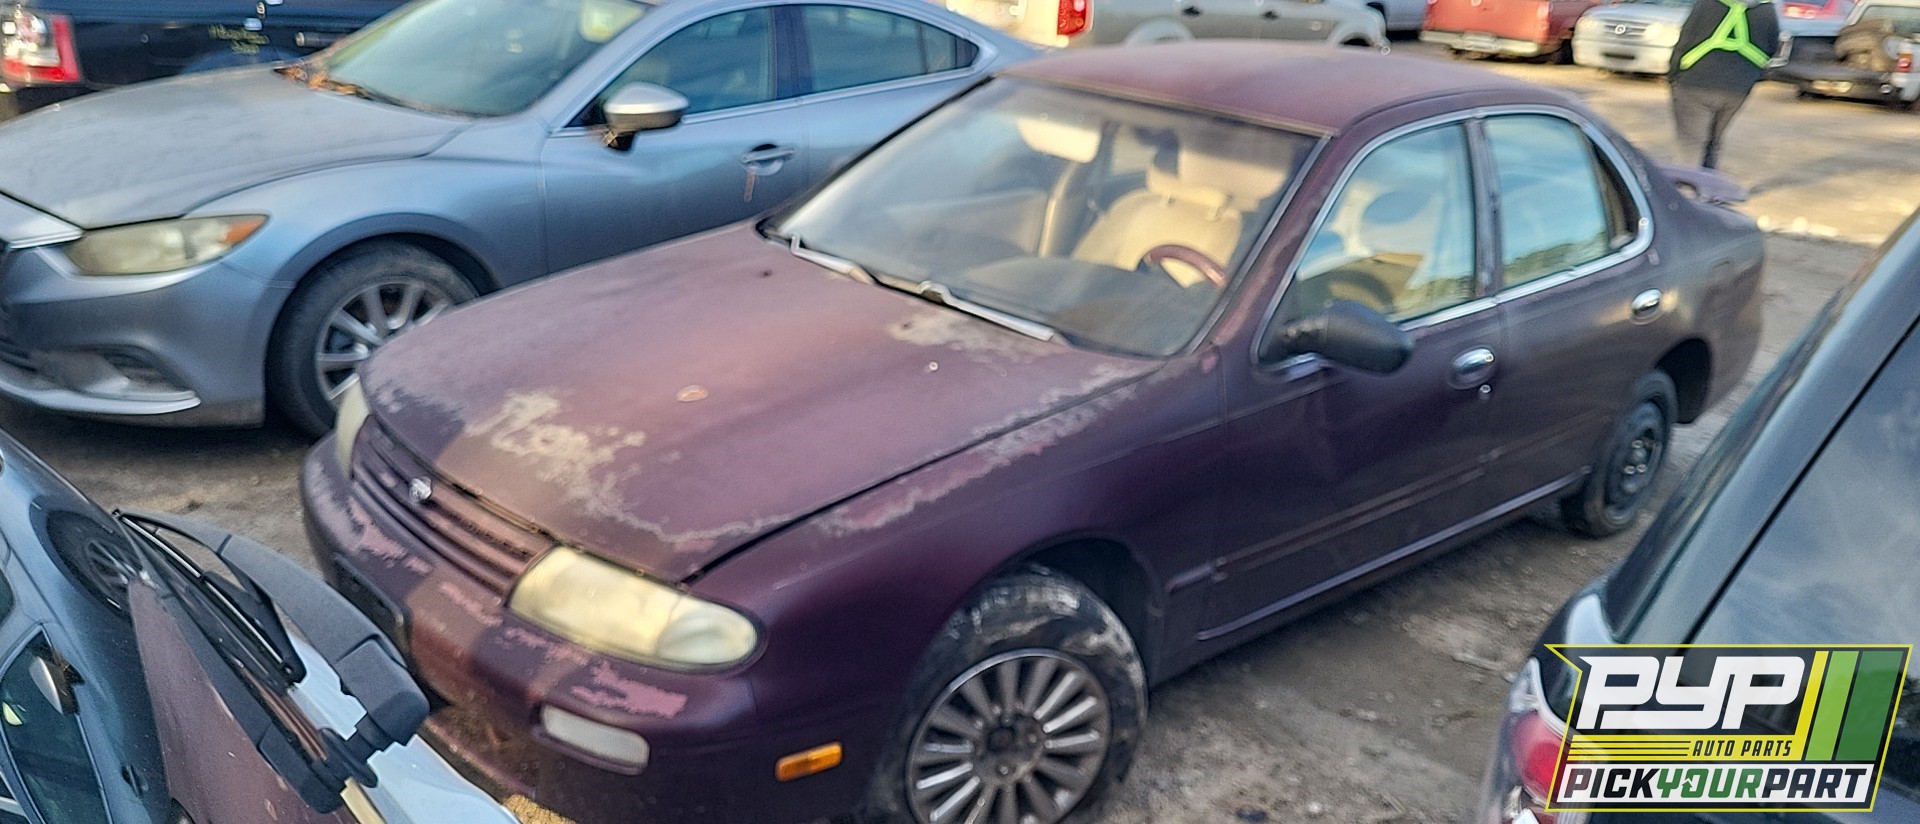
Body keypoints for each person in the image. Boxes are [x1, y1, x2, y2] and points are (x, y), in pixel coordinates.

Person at [1667, 0, 1780, 170]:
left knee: (1690, 144)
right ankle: (1709, 184)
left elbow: (1685, 40)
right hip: (1737, 88)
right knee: (1713, 142)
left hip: (1695, 83)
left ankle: (1687, 185)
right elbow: (1771, 48)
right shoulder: (1766, 9)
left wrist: (1673, 75)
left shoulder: (1707, 4)